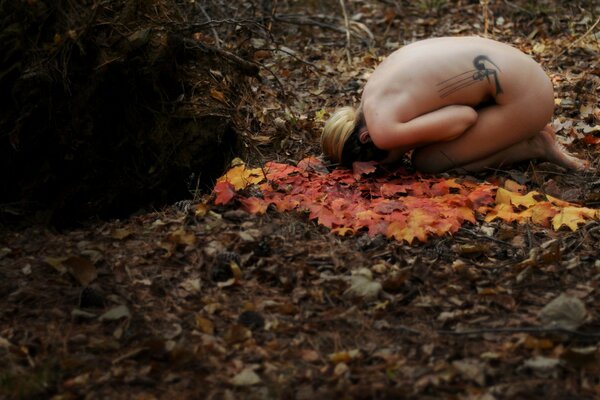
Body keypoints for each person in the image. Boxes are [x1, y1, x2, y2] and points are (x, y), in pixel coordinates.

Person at [321, 36, 588, 173]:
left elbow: (464, 116)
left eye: (386, 162)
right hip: (524, 71)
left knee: (428, 162)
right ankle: (520, 132)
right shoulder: (371, 94)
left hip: (529, 98)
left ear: (366, 138)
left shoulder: (383, 132)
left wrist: (423, 138)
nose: (396, 160)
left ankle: (534, 145)